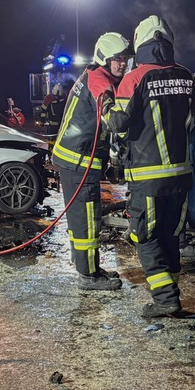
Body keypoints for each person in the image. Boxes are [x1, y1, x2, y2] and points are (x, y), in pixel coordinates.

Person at [106, 15, 195, 318]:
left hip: (148, 177)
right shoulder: (186, 76)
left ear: (140, 43)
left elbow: (119, 124)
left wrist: (105, 107)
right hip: (182, 176)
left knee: (145, 236)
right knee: (171, 234)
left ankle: (165, 299)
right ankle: (171, 293)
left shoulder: (134, 78)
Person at [51, 32, 132, 291]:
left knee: (79, 218)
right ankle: (88, 277)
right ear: (104, 58)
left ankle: (88, 267)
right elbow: (107, 107)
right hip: (79, 161)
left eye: (125, 59)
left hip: (74, 159)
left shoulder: (93, 74)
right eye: (117, 59)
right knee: (86, 218)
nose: (122, 63)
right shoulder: (99, 80)